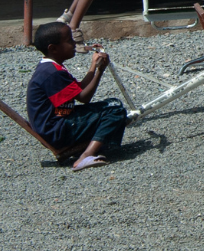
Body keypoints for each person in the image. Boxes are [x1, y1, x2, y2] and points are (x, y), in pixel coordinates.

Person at [27, 21, 128, 170]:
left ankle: (91, 148)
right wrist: (100, 71)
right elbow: (84, 98)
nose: (74, 44)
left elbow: (78, 89)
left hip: (58, 123)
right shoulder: (52, 73)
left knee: (111, 104)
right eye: (69, 41)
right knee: (114, 109)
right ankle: (86, 155)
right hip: (56, 130)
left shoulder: (52, 67)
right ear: (53, 48)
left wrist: (94, 66)